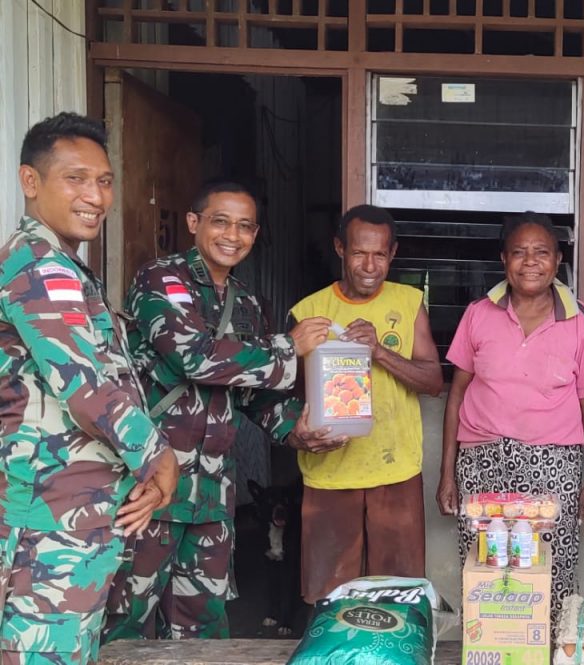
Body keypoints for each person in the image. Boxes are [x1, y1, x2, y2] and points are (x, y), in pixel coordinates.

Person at [101, 180, 344, 641]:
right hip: (152, 484)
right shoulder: (161, 280)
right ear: (194, 223)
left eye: (245, 226)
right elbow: (193, 357)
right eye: (220, 221)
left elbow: (249, 391)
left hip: (212, 493)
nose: (233, 235)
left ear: (255, 234)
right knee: (127, 619)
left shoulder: (247, 302)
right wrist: (287, 346)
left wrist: (298, 428)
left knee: (203, 625)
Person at [0, 112, 178, 664]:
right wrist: (158, 456)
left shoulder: (64, 266)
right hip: (48, 518)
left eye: (104, 181)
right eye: (75, 179)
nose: (96, 197)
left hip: (76, 511)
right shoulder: (38, 265)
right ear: (31, 181)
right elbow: (86, 386)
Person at [436, 212, 584, 621]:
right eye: (519, 252)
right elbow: (456, 394)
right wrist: (447, 474)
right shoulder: (478, 313)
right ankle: (490, 645)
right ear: (504, 259)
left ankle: (548, 645)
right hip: (482, 461)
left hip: (554, 465)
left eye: (541, 252)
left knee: (552, 568)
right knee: (485, 567)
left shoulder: (580, 321)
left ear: (558, 259)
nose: (530, 261)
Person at [290, 204, 442, 602]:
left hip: (395, 471)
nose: (370, 266)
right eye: (359, 253)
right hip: (329, 474)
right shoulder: (309, 311)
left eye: (380, 254)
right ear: (340, 248)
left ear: (393, 253)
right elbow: (289, 397)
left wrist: (379, 352)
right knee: (330, 598)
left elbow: (433, 380)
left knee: (397, 595)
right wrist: (299, 434)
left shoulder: (408, 303)